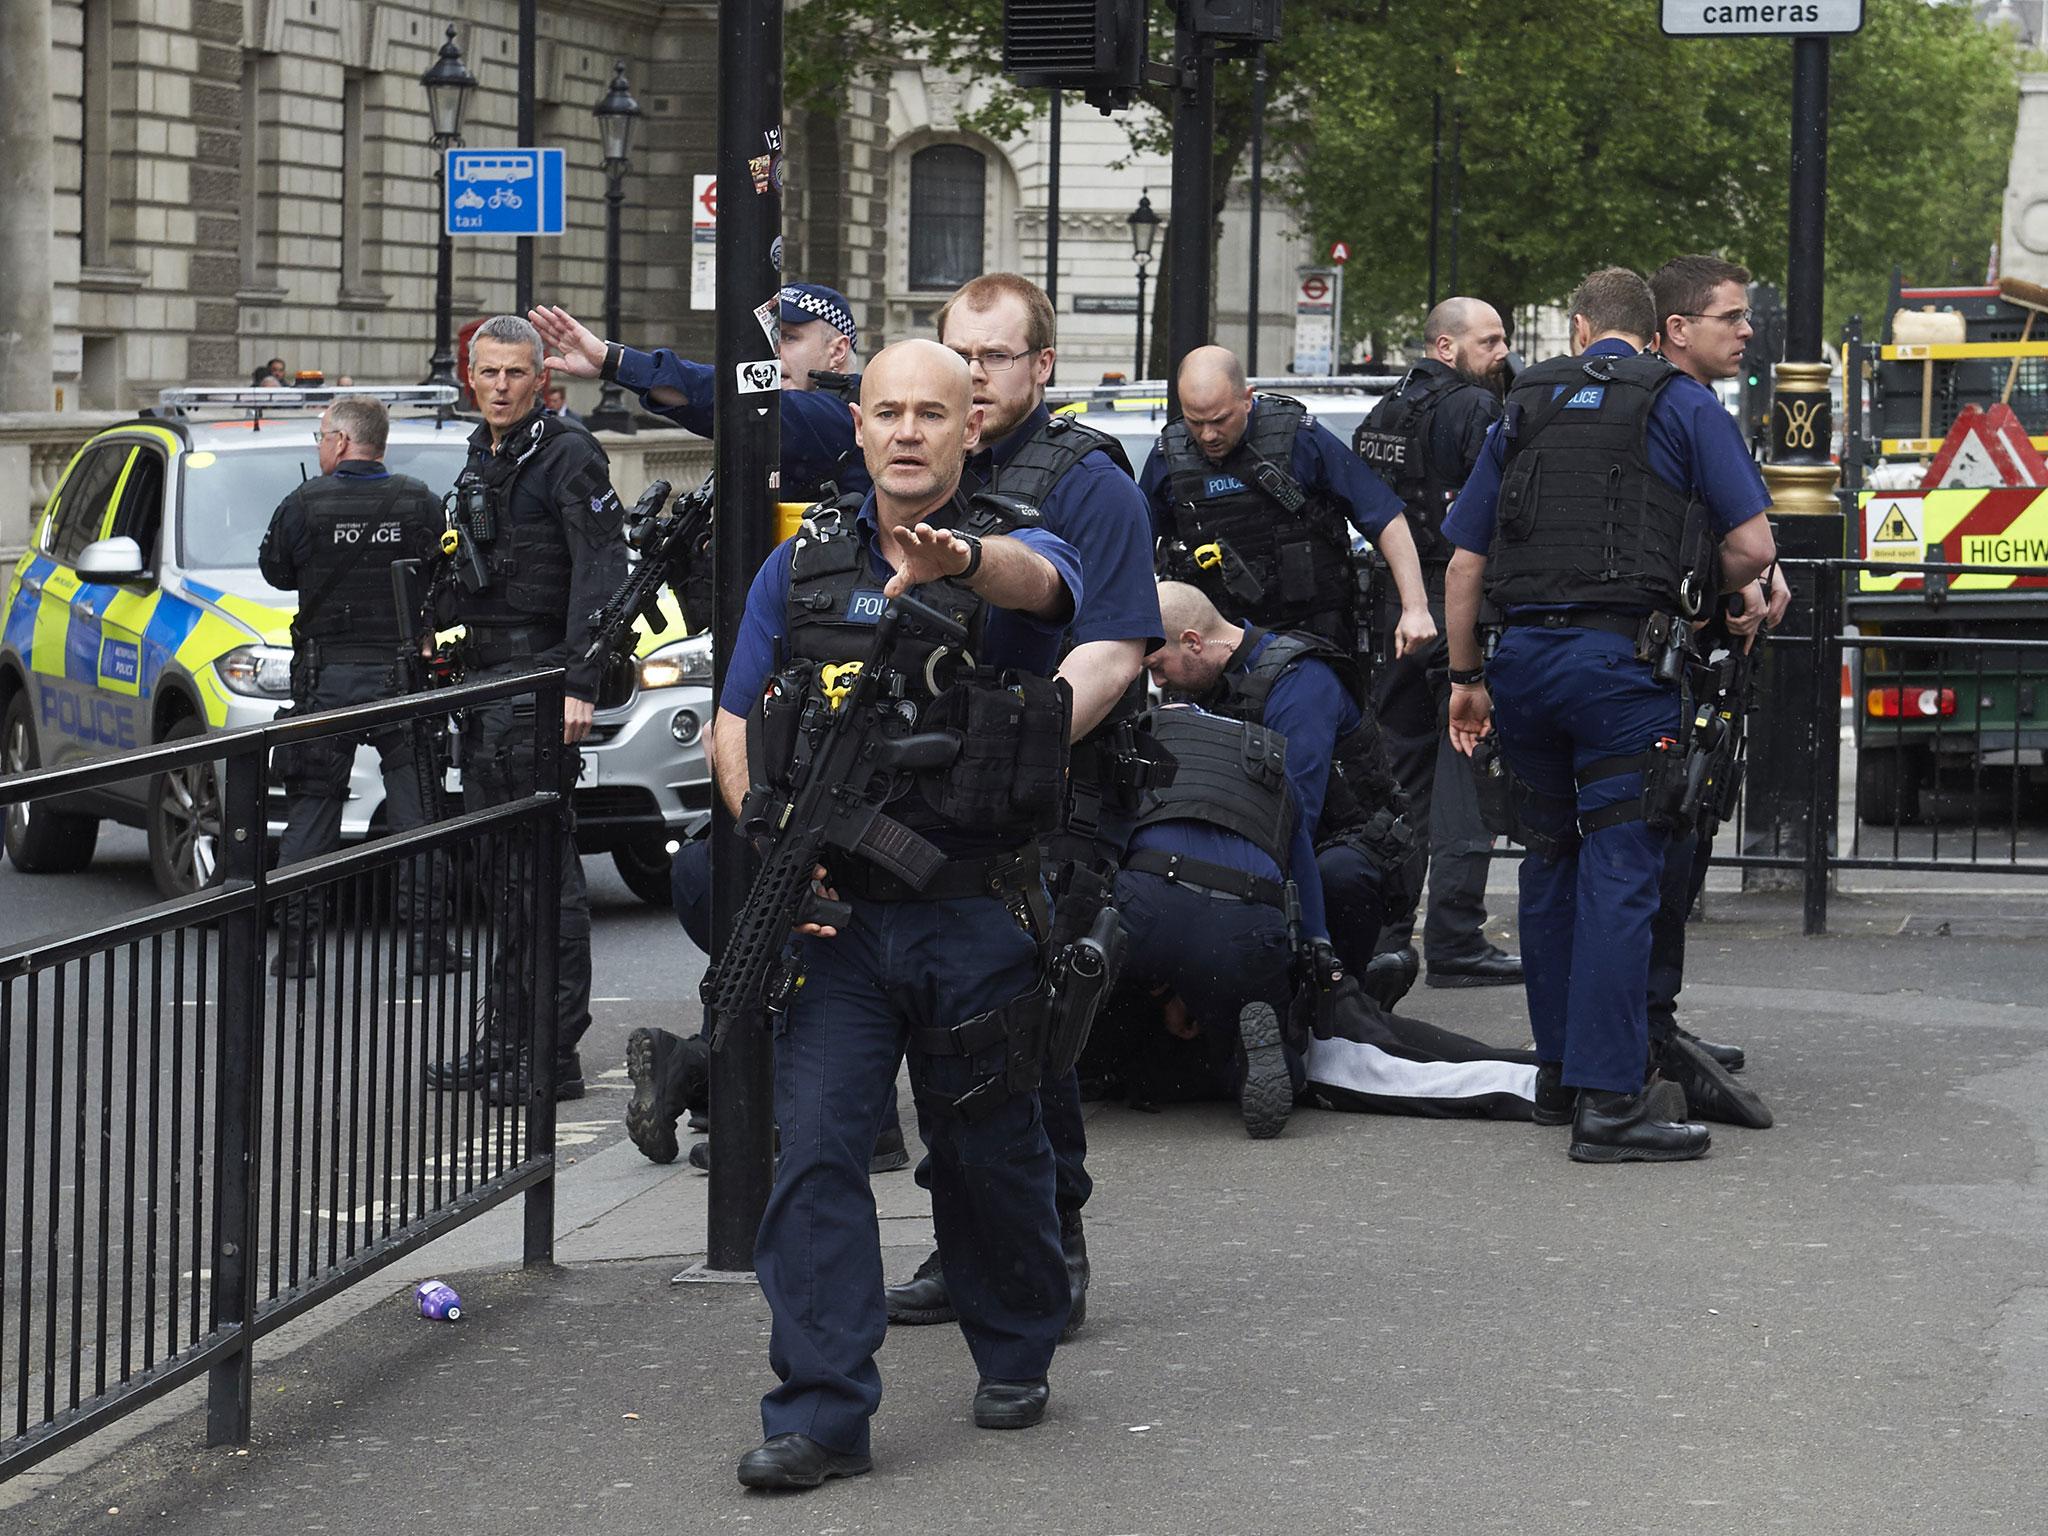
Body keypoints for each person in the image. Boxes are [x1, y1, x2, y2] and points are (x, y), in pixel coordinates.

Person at [709, 339, 1083, 1488]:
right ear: (858, 429)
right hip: (839, 923)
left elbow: (1045, 586)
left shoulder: (1018, 536)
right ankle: (821, 1411)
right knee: (816, 1156)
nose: (909, 431)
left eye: (934, 412)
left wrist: (959, 559)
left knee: (986, 1152)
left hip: (974, 914)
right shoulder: (802, 563)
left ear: (972, 428)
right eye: (888, 413)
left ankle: (1016, 1337)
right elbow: (736, 719)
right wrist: (776, 845)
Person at [1442, 267, 1776, 1163]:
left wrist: (1465, 676)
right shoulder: (1682, 403)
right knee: (1623, 868)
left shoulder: (1528, 403)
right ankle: (1611, 1101)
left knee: (1549, 862)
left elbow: (1465, 564)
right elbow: (1753, 546)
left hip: (1522, 667)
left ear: (1583, 327)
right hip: (1622, 669)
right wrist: (1705, 597)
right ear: (1652, 332)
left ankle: (1557, 1077)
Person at [882, 272, 1162, 1340]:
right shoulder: (922, 461)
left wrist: (1019, 751)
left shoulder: (1088, 481)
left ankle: (1053, 1240)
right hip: (930, 796)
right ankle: (966, 1241)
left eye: (996, 356)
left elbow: (1115, 647)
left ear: (1041, 367)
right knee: (940, 1027)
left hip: (1053, 790)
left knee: (1028, 1030)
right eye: (961, 353)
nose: (975, 374)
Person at [1126, 579, 1428, 1132]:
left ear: (1193, 641)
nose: (1157, 680)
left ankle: (1333, 998)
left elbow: (1297, 818)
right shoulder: (1200, 689)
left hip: (1351, 847)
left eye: (1161, 664)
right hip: (1269, 846)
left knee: (1331, 876)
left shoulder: (1298, 681)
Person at [421, 315, 627, 1108]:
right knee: (505, 881)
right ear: (469, 377)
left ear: (541, 377)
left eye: (516, 373)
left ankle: (551, 1053)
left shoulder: (568, 453)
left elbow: (601, 572)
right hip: (488, 687)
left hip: (539, 684)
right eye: (489, 373)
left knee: (544, 878)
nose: (501, 387)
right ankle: (506, 1039)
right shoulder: (487, 454)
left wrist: (581, 680)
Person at [1640, 254, 1790, 1130]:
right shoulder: (1687, 406)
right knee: (1669, 843)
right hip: (1676, 660)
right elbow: (1748, 544)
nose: (1746, 330)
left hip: (1634, 650)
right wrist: (1738, 593)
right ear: (1676, 330)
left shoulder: (1660, 405)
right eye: (1730, 317)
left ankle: (1646, 1025)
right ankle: (1649, 1031)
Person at [1353, 298, 1521, 995]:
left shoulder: (1383, 412)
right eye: (1490, 341)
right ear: (1446, 346)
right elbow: (1493, 514)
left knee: (1402, 779)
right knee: (1465, 771)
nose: (1503, 353)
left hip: (1394, 607)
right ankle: (1454, 936)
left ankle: (1391, 935)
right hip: (1451, 602)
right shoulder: (1472, 411)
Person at [257, 395, 454, 976]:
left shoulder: (302, 503)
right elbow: (446, 578)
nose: (319, 448)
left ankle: (295, 952)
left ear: (342, 442)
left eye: (321, 437)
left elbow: (275, 570)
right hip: (402, 679)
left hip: (326, 681)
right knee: (418, 815)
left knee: (311, 815)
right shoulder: (420, 501)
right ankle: (425, 946)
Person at [1140, 345, 1436, 664]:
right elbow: (1132, 546)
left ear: (1247, 398)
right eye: (1194, 423)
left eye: (1219, 420)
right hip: (1215, 649)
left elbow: (1384, 517)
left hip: (1309, 635)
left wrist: (1416, 608)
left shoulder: (1300, 439)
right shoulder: (1167, 458)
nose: (1208, 435)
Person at [528, 283, 868, 502]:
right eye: (770, 339)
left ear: (837, 352)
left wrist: (615, 361)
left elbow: (727, 399)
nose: (774, 352)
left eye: (790, 338)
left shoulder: (845, 415)